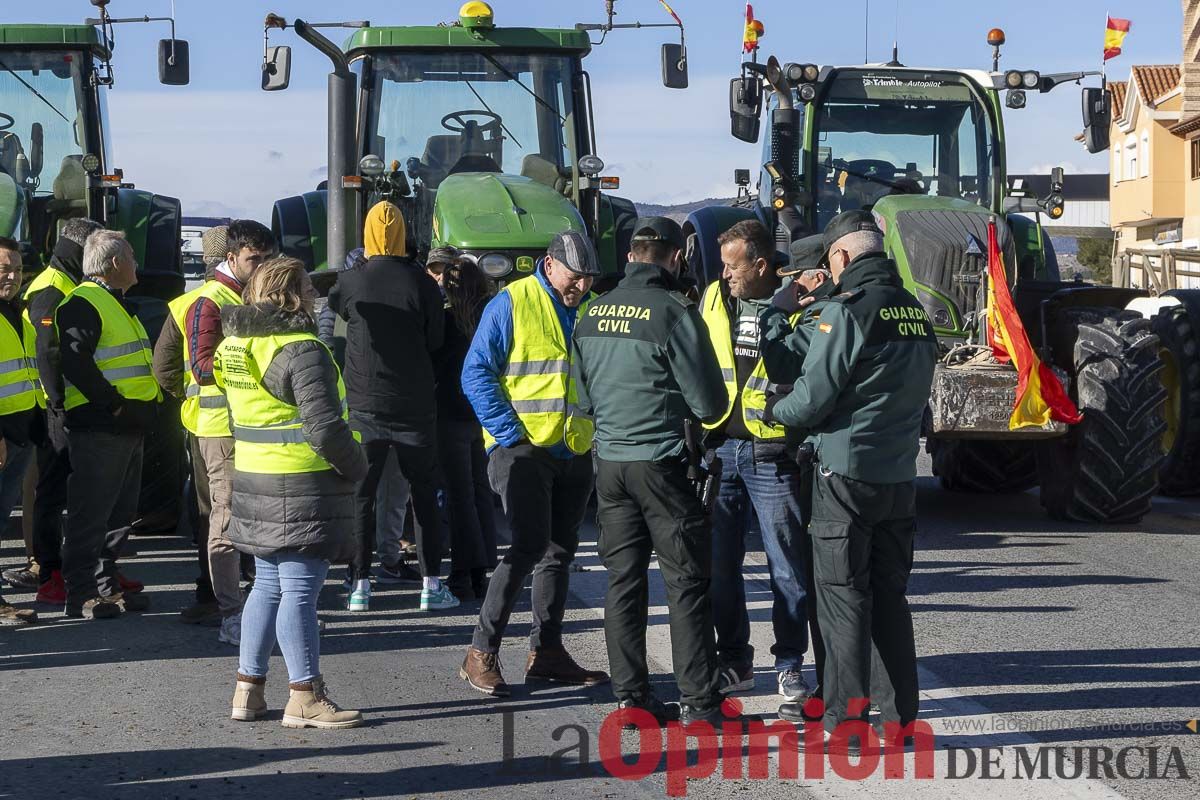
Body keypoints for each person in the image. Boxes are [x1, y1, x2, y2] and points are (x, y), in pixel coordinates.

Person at [762, 210, 937, 742]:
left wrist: (775, 412)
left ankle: (841, 725)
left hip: (844, 475)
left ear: (839, 257)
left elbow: (813, 400)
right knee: (889, 600)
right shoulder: (915, 312)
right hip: (899, 479)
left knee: (842, 602)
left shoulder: (845, 313)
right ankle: (899, 718)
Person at [570, 217, 729, 725]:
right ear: (676, 256)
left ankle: (631, 698)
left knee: (623, 582)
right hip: (662, 464)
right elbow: (709, 403)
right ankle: (700, 705)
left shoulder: (592, 314)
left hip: (610, 464)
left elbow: (585, 396)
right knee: (685, 584)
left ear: (631, 254)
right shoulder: (673, 312)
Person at [215, 256, 366, 729]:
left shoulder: (234, 346)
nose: (316, 295)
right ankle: (304, 695)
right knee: (299, 591)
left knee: (265, 586)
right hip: (303, 482)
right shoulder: (303, 350)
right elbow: (324, 428)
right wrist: (358, 467)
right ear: (290, 295)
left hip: (254, 478)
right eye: (308, 287)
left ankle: (248, 690)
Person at [459, 230, 609, 697]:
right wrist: (509, 434)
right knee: (527, 546)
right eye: (573, 276)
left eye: (587, 279)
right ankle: (480, 652)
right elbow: (476, 371)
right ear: (549, 265)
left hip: (572, 445)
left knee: (560, 552)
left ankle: (546, 652)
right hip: (521, 447)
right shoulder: (512, 302)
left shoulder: (590, 306)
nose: (580, 286)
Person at [697, 219, 813, 704]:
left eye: (733, 266)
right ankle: (736, 663)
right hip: (722, 447)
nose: (725, 275)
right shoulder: (713, 297)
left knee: (786, 567)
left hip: (772, 452)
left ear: (761, 265)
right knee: (720, 566)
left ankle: (789, 666)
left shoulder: (798, 302)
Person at [328, 201, 452, 612]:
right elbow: (436, 339)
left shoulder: (350, 280)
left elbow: (337, 307)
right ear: (402, 235)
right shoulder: (421, 282)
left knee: (361, 496)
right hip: (415, 405)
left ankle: (360, 585)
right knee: (424, 494)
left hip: (364, 406)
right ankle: (431, 584)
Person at [56, 230, 161, 619]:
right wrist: (115, 406)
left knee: (118, 514)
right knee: (91, 512)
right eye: (131, 256)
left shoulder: (113, 302)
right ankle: (80, 593)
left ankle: (105, 586)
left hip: (125, 426)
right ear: (115, 263)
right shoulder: (85, 302)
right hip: (101, 426)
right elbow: (75, 362)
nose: (136, 264)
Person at [180, 219, 276, 645]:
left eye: (266, 258)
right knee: (226, 519)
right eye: (254, 258)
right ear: (231, 257)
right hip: (220, 428)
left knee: (255, 519)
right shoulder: (209, 300)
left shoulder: (247, 296)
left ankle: (255, 611)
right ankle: (231, 613)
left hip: (250, 425)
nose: (261, 266)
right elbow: (202, 368)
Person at [20, 218, 103, 606]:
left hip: (53, 403)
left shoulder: (65, 282)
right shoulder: (51, 289)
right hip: (49, 406)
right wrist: (57, 403)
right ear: (81, 251)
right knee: (52, 489)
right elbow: (47, 351)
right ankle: (49, 569)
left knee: (58, 487)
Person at [153, 224, 229, 627]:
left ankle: (210, 590)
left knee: (208, 513)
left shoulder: (184, 303)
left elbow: (163, 367)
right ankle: (241, 587)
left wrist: (185, 397)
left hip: (201, 424)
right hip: (237, 424)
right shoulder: (241, 298)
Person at [429, 247, 497, 601]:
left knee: (459, 497)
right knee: (480, 491)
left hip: (449, 413)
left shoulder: (444, 320)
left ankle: (462, 573)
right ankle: (484, 569)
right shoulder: (489, 316)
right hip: (481, 413)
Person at [0, 237, 40, 625]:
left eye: (16, 268)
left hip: (21, 432)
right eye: (3, 269)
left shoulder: (16, 312)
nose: (11, 275)